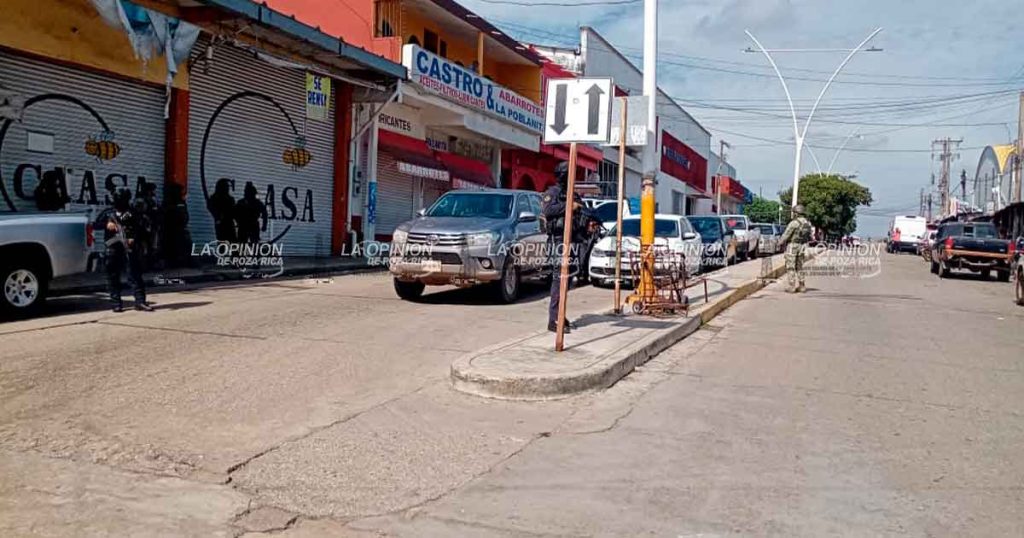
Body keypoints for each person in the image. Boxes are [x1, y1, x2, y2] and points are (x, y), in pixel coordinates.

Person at [541, 161, 582, 333]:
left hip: (571, 241)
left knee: (568, 280)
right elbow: (549, 211)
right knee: (559, 280)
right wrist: (569, 206)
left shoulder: (571, 193)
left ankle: (560, 314)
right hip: (558, 241)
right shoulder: (553, 192)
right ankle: (553, 319)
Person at [95, 189, 152, 312]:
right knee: (113, 276)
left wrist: (133, 238)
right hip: (113, 248)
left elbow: (142, 229)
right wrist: (107, 224)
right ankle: (116, 303)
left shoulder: (133, 213)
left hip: (129, 248)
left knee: (135, 275)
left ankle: (140, 302)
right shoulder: (108, 213)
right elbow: (95, 224)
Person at [779, 203, 813, 293]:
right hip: (802, 246)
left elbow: (786, 235)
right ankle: (802, 286)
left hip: (792, 245)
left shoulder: (794, 223)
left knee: (790, 266)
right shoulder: (807, 223)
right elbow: (810, 236)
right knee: (800, 266)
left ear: (796, 213)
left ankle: (792, 286)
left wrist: (779, 243)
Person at [208, 178, 236, 242]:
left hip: (229, 224)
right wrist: (217, 215)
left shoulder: (230, 199)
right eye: (226, 186)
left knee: (233, 244)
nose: (227, 188)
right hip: (221, 224)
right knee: (222, 244)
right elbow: (211, 207)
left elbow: (234, 211)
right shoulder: (215, 198)